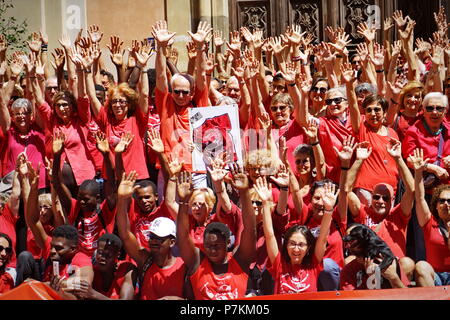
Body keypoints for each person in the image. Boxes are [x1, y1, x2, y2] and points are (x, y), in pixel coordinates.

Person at [176, 165, 256, 300]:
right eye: (208, 246)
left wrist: (244, 192)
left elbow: (250, 229)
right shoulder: (197, 262)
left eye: (217, 246)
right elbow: (183, 236)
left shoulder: (239, 260)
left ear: (227, 243)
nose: (212, 250)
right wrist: (184, 202)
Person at [345, 138, 416, 279]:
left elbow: (412, 190)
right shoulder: (363, 212)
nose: (381, 201)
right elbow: (346, 190)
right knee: (348, 261)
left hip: (393, 268)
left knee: (408, 263)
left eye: (386, 198)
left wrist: (398, 158)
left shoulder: (399, 214)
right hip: (366, 265)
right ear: (371, 199)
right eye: (376, 197)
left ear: (392, 201)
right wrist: (359, 160)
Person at [152, 20, 210, 183]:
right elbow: (161, 75)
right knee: (169, 209)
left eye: (185, 92)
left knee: (200, 209)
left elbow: (202, 75)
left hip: (195, 170)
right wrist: (161, 47)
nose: (181, 96)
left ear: (192, 93)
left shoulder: (198, 103)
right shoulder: (166, 103)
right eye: (176, 91)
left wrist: (200, 48)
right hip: (169, 168)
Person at [258, 177, 335, 294]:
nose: (296, 249)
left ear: (308, 248)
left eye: (301, 245)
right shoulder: (279, 263)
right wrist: (265, 203)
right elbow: (269, 235)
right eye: (292, 243)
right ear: (286, 245)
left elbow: (323, 238)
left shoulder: (313, 264)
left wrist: (329, 209)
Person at [116, 171, 186, 300]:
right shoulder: (145, 261)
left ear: (172, 242)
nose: (154, 241)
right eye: (152, 237)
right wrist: (121, 199)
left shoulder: (183, 266)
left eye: (160, 238)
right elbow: (125, 235)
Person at [51, 131, 117, 257]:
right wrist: (57, 155)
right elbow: (58, 184)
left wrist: (106, 154)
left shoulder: (105, 210)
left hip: (100, 258)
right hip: (79, 260)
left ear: (97, 199)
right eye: (80, 198)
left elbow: (110, 183)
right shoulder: (75, 208)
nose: (81, 202)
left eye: (86, 200)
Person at [409, 149, 450, 287]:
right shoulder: (429, 221)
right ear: (436, 205)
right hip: (435, 277)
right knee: (421, 266)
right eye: (442, 201)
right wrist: (418, 171)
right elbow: (420, 198)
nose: (446, 204)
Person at [340, 224, 409, 290]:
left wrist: (393, 278)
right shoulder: (348, 271)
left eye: (355, 237)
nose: (351, 242)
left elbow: (407, 296)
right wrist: (372, 279)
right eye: (350, 241)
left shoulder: (389, 262)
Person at [72, 233, 137, 300]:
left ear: (118, 255)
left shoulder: (127, 269)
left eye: (109, 254)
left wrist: (93, 294)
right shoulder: (92, 272)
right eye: (100, 253)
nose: (103, 258)